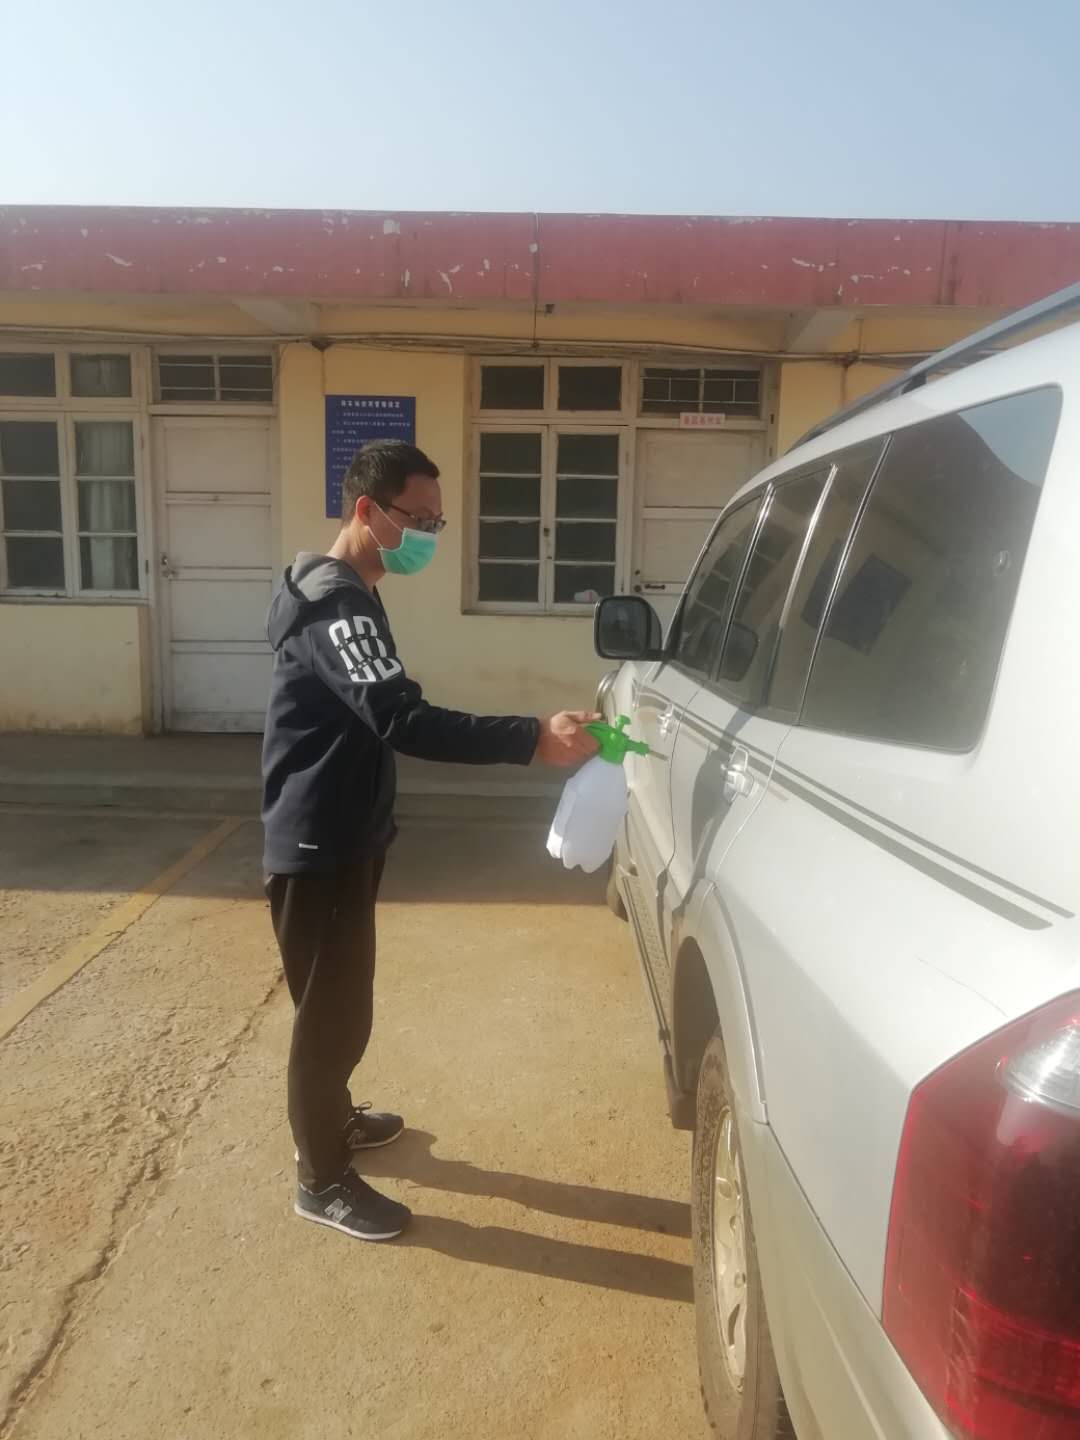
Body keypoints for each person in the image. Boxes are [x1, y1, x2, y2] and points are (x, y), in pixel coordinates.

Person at [261, 438, 598, 1243]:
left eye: (436, 523)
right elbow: (401, 718)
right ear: (367, 510)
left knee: (341, 1002)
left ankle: (336, 1118)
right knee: (331, 1017)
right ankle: (320, 1180)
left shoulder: (351, 594)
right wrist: (530, 738)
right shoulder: (335, 606)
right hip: (318, 841)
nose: (426, 537)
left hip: (346, 832)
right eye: (417, 519)